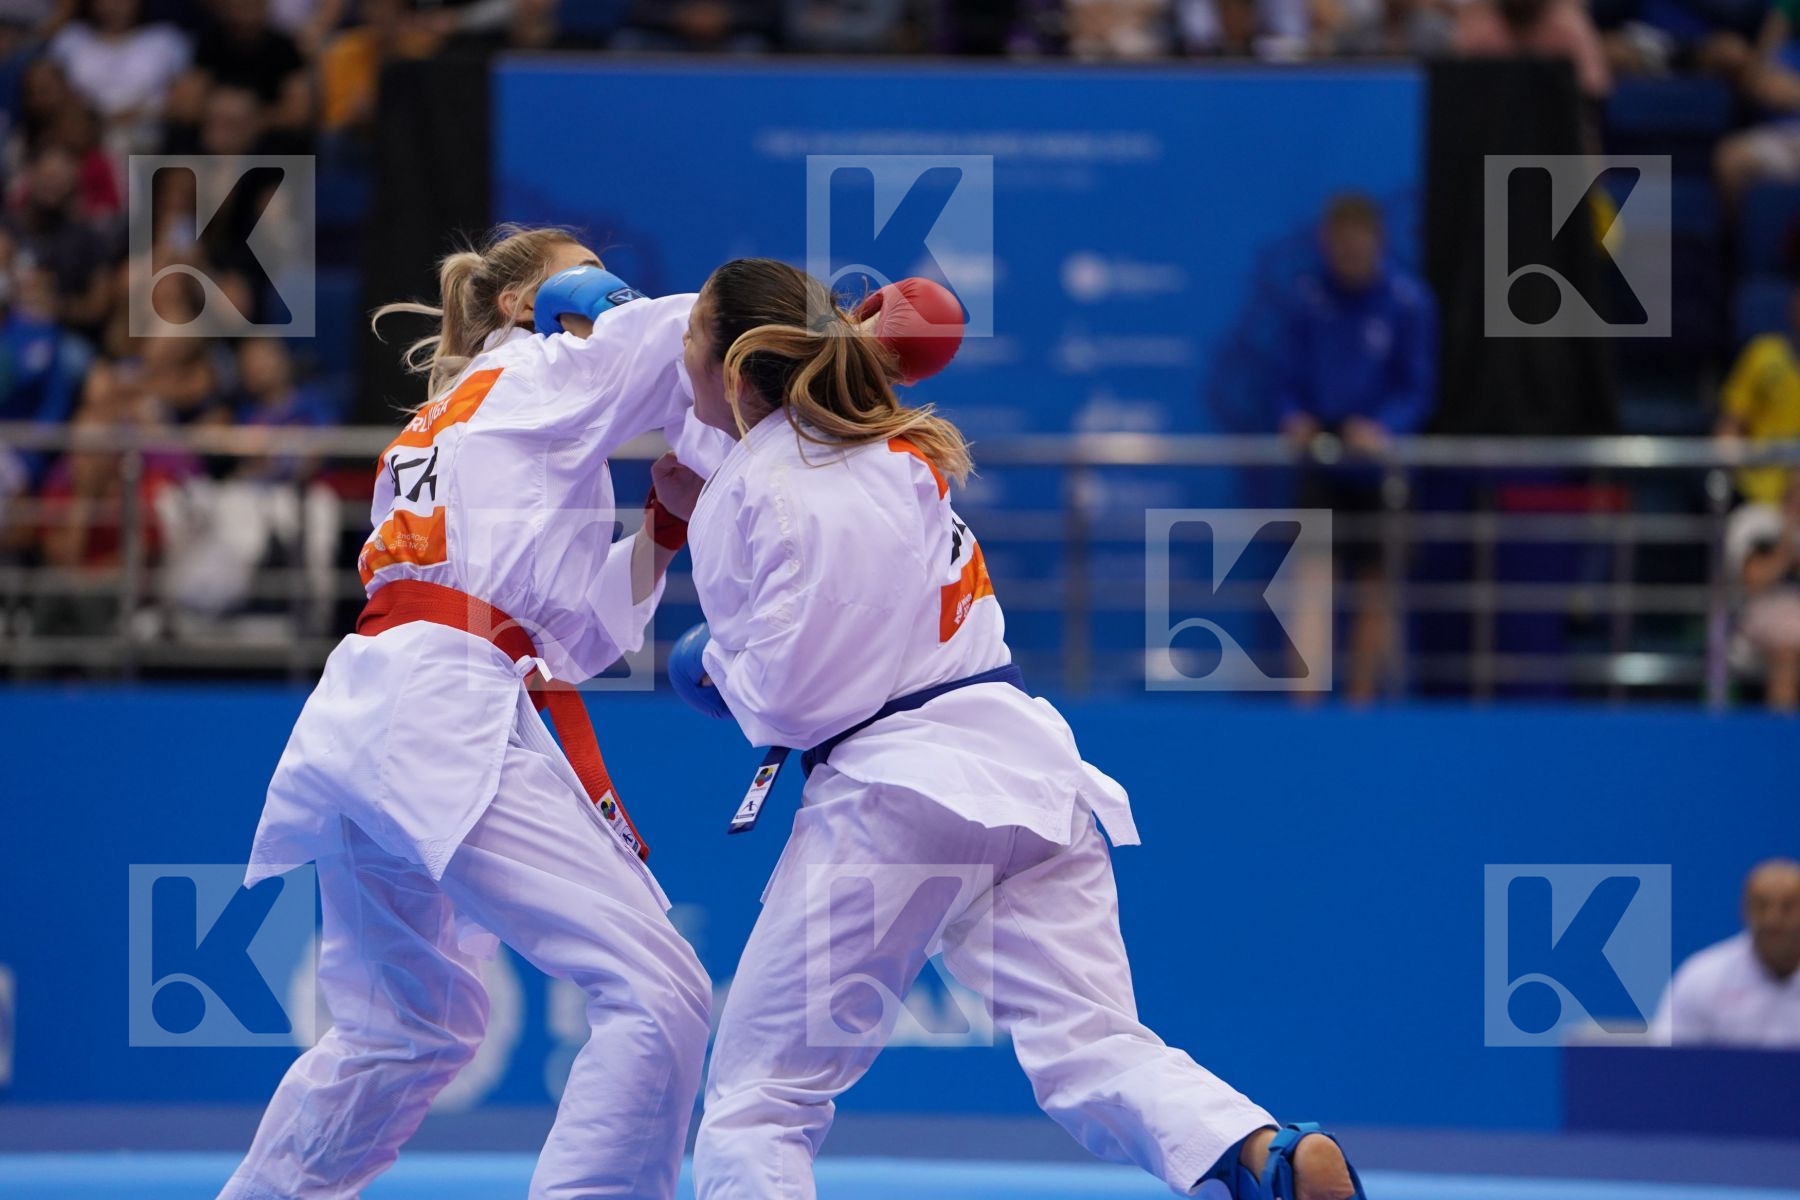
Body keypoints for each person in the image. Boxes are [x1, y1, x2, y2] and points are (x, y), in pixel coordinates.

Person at [671, 257, 1367, 1200]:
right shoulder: (892, 450)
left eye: (690, 338)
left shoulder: (756, 484)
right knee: (1095, 1049)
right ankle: (1262, 1155)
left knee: (762, 1097)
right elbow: (823, 529)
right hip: (1033, 779)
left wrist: (713, 664)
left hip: (896, 796)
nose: (676, 351)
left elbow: (795, 698)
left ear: (738, 371)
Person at [220, 225, 723, 1200]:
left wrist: (662, 528)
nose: (608, 290)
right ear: (518, 305)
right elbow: (695, 336)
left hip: (378, 702)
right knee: (660, 992)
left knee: (407, 1028)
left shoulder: (459, 416)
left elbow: (572, 638)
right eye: (586, 273)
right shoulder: (541, 370)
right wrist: (834, 341)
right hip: (438, 706)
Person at [1274, 192, 1435, 704]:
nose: (1348, 255)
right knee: (1311, 585)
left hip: (1377, 471)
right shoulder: (1307, 301)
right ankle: (1307, 709)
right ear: (1325, 244)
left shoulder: (1407, 303)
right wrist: (1292, 418)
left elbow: (1419, 387)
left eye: (1357, 245)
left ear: (1378, 243)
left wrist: (1384, 429)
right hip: (1322, 463)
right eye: (1339, 245)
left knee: (1374, 588)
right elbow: (1284, 381)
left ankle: (1361, 707)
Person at [1651, 859, 1800, 1046]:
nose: (1773, 920)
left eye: (1788, 907)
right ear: (1744, 909)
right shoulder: (1701, 978)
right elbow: (1669, 1061)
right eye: (1761, 906)